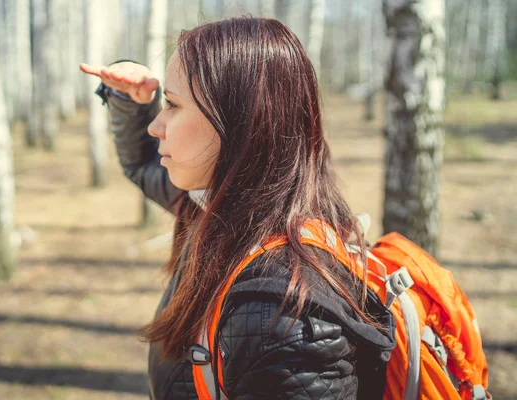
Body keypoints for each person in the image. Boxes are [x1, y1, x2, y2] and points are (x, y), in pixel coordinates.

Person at [80, 17, 395, 400]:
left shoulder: (282, 322)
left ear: (240, 123)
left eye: (173, 104)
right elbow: (143, 166)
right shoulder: (224, 207)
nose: (156, 125)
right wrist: (132, 102)